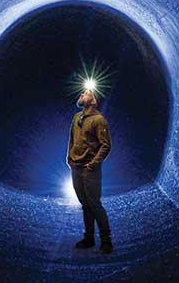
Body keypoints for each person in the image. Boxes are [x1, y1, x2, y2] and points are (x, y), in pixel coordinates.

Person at [67, 87, 113, 253]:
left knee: (94, 204)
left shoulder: (99, 120)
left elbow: (106, 145)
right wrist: (70, 158)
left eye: (85, 93)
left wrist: (93, 163)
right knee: (85, 204)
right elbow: (72, 139)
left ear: (93, 100)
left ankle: (106, 240)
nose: (81, 94)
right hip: (76, 167)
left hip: (89, 170)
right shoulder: (76, 117)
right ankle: (89, 238)